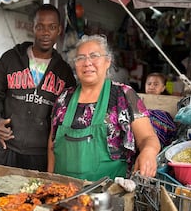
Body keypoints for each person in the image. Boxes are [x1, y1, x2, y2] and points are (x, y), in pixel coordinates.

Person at [47, 35, 160, 181]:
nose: (87, 63)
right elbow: (52, 146)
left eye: (94, 56)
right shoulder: (63, 99)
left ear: (108, 61)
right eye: (81, 58)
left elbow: (147, 137)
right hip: (63, 193)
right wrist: (48, 180)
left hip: (108, 196)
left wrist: (149, 151)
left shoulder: (124, 95)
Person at [0, 4, 76, 172]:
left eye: (52, 27)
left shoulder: (64, 73)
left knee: (35, 198)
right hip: (7, 149)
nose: (46, 32)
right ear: (33, 27)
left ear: (59, 30)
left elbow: (67, 116)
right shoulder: (11, 59)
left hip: (41, 156)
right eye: (40, 26)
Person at [145, 72, 177, 147]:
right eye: (149, 84)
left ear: (163, 88)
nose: (151, 87)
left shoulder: (164, 114)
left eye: (156, 84)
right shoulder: (137, 100)